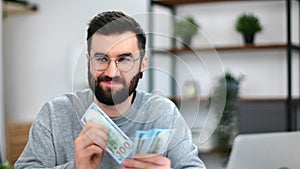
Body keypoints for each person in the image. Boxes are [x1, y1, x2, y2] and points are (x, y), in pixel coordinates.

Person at [14, 11, 206, 169]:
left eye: (124, 59)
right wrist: (77, 167)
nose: (111, 72)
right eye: (101, 59)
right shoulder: (55, 113)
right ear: (89, 62)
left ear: (142, 64)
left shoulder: (164, 113)